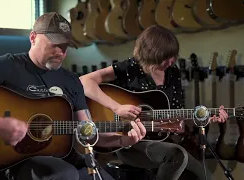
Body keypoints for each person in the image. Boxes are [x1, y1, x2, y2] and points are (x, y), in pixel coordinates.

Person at [0, 12, 147, 180]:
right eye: (54, 44)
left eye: (65, 46)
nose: (61, 52)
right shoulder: (6, 65)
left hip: (68, 159)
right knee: (67, 175)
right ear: (33, 37)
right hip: (19, 158)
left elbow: (88, 133)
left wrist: (122, 141)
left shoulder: (71, 80)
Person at [80, 25, 228, 180]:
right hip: (131, 142)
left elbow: (178, 113)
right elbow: (84, 81)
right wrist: (116, 107)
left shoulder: (173, 72)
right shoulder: (131, 68)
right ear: (151, 55)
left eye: (173, 56)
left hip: (162, 141)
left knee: (205, 177)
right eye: (165, 57)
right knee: (177, 155)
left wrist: (200, 120)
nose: (171, 61)